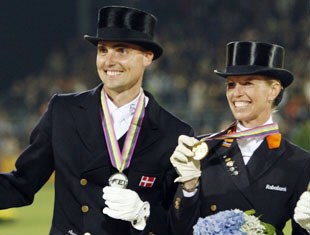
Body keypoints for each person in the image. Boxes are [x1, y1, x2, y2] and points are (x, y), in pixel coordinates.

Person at [0, 5, 194, 235]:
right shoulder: (63, 111)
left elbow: (180, 223)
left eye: (121, 50)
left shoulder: (174, 133)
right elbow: (21, 183)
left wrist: (144, 214)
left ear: (147, 57)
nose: (109, 61)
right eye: (103, 50)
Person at [169, 41, 310, 234]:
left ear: (274, 90)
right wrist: (188, 187)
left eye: (248, 83)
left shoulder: (299, 162)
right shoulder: (202, 150)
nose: (236, 93)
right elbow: (178, 228)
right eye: (231, 84)